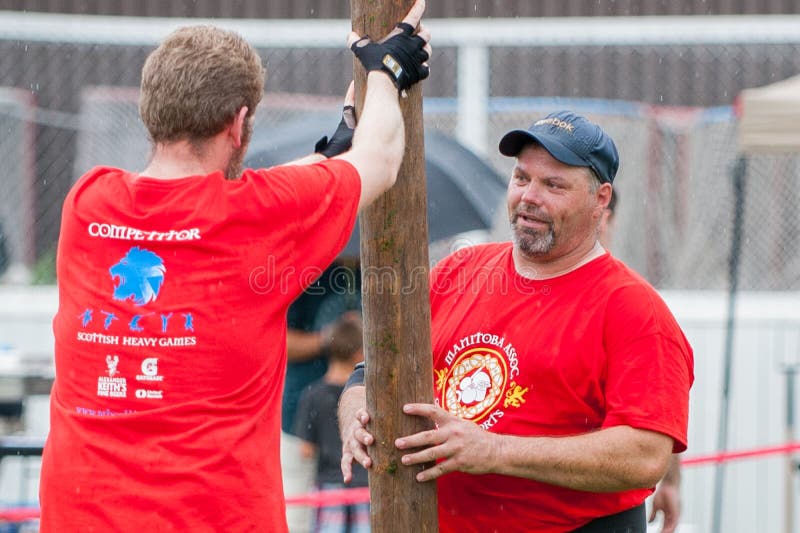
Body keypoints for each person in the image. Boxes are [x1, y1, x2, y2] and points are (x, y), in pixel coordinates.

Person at [39, 2, 432, 530]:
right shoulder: (258, 216)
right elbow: (382, 158)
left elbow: (202, 204)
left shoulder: (88, 203)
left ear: (151, 109)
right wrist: (389, 70)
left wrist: (330, 153)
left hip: (80, 516)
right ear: (240, 121)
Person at [339, 111, 694, 532]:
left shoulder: (634, 311)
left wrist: (495, 451)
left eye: (554, 185)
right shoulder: (458, 270)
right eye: (522, 178)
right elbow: (370, 373)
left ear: (601, 199)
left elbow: (644, 455)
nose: (530, 196)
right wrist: (356, 414)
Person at [600, 191, 683, 533]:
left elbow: (660, 407)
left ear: (609, 219)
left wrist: (671, 481)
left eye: (605, 213)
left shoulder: (633, 302)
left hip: (607, 510)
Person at [294, 311, 370, 533]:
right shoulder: (365, 397)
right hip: (365, 486)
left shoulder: (312, 394)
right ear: (359, 353)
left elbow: (306, 450)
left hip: (329, 490)